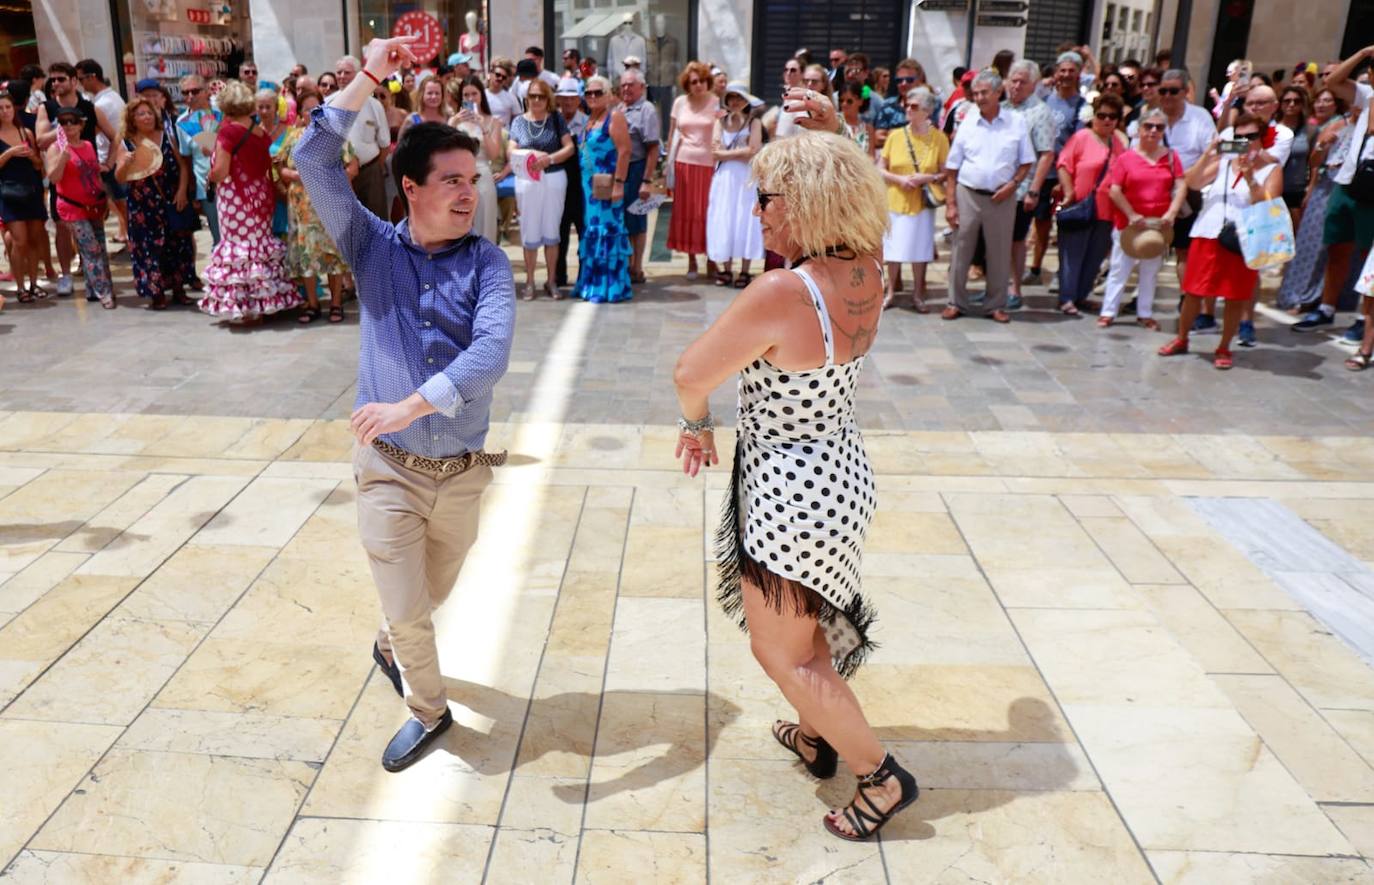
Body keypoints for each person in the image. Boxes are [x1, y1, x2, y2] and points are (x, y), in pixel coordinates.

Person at [673, 127, 918, 843]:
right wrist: (831, 129)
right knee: (809, 627)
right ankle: (817, 736)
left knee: (783, 651)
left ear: (807, 203)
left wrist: (696, 425)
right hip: (840, 477)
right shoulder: (869, 269)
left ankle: (880, 775)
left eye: (768, 199)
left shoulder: (784, 290)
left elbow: (692, 373)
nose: (759, 213)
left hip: (786, 490)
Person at [296, 34, 516, 774]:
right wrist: (366, 77)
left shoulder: (488, 262)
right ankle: (429, 711)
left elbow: (490, 354)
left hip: (461, 467)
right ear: (410, 188)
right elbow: (312, 159)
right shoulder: (370, 246)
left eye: (473, 177)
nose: (467, 190)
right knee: (411, 604)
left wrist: (413, 403)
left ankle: (391, 642)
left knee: (435, 587)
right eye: (451, 178)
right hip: (385, 466)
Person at [1158, 114, 1281, 369]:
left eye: (1251, 137)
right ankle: (1181, 338)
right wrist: (1208, 154)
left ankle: (1224, 346)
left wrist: (1249, 177)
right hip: (1209, 232)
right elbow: (1192, 182)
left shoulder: (1272, 168)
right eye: (1240, 137)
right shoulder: (1224, 162)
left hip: (1241, 238)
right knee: (1193, 290)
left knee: (1235, 296)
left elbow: (1268, 203)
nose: (1245, 142)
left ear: (1262, 138)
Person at [198, 81, 300, 322]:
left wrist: (209, 174)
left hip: (236, 199)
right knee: (258, 246)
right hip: (260, 197)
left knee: (239, 250)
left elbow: (221, 172)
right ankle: (264, 302)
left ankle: (245, 308)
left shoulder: (227, 132)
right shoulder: (259, 132)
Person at [1292, 46, 1374, 336]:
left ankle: (1364, 320)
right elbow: (1332, 82)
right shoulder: (1366, 97)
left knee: (1369, 257)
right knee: (1338, 247)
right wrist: (1364, 53)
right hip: (1348, 181)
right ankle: (1326, 308)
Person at [942, 71, 1034, 323]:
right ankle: (955, 301)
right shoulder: (968, 122)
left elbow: (1026, 162)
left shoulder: (1016, 122)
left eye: (984, 93)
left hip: (1002, 197)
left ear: (998, 93)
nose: (979, 97)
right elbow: (952, 167)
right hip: (968, 192)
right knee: (962, 249)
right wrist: (951, 203)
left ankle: (995, 304)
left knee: (999, 251)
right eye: (976, 93)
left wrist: (1013, 185)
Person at [34, 62, 117, 298]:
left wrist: (108, 165)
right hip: (61, 177)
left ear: (73, 81)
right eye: (53, 80)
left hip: (89, 182)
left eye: (61, 79)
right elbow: (40, 141)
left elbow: (114, 136)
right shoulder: (47, 108)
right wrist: (64, 126)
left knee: (94, 234)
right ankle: (66, 274)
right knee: (61, 228)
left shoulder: (89, 108)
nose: (56, 84)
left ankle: (94, 283)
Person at [1101, 107, 1186, 328]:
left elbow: (1181, 184)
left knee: (1151, 270)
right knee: (1120, 268)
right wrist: (1131, 214)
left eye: (1159, 127)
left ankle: (1144, 313)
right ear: (1139, 129)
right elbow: (1114, 190)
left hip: (1157, 224)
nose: (1153, 131)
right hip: (1128, 224)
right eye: (1148, 126)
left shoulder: (1170, 157)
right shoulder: (1126, 158)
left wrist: (1172, 212)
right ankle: (1109, 311)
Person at [277, 89, 357, 324]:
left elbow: (352, 166)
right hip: (302, 209)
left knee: (333, 256)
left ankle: (335, 303)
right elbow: (280, 168)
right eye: (307, 109)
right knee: (306, 256)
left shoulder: (334, 135)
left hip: (329, 204)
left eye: (316, 108)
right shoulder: (293, 137)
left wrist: (332, 176)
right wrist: (294, 174)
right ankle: (312, 303)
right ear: (300, 113)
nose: (312, 113)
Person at [114, 96, 193, 309]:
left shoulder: (167, 135)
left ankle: (179, 288)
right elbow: (119, 177)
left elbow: (183, 166)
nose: (147, 117)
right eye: (141, 113)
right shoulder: (126, 141)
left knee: (176, 244)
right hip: (142, 205)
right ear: (132, 118)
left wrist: (182, 191)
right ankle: (156, 292)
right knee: (149, 248)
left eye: (149, 112)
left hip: (170, 198)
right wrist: (125, 163)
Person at [1055, 92, 1127, 315]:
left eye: (1112, 116)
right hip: (1081, 205)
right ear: (1093, 116)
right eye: (1102, 115)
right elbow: (1063, 164)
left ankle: (1081, 296)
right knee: (1072, 254)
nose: (1107, 120)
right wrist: (1069, 192)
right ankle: (1067, 297)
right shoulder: (1082, 137)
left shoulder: (1119, 143)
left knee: (1094, 256)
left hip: (1107, 211)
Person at [1278, 88, 1350, 311]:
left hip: (1333, 187)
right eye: (1318, 100)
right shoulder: (1319, 128)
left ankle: (1306, 298)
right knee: (1305, 245)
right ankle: (1297, 295)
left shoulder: (1344, 124)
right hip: (1319, 186)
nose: (1321, 105)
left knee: (1317, 246)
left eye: (1327, 101)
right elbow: (1315, 161)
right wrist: (1322, 144)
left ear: (1337, 104)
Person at [878, 87, 946, 312]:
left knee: (920, 250)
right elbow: (881, 168)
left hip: (921, 203)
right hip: (895, 199)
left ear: (927, 111)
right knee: (892, 249)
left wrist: (928, 177)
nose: (908, 109)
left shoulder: (939, 139)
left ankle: (918, 294)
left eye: (914, 106)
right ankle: (890, 292)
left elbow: (946, 172)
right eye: (907, 104)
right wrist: (899, 179)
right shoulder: (896, 136)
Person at [508, 77, 575, 300]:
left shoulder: (555, 119)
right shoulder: (518, 122)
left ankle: (552, 280)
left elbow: (569, 148)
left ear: (548, 99)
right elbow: (511, 149)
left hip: (554, 178)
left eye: (541, 96)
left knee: (552, 230)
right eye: (532, 96)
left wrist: (549, 159)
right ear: (526, 98)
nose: (536, 100)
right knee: (529, 229)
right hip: (528, 181)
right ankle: (529, 281)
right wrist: (529, 156)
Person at [1025, 51, 1088, 285]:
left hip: (1063, 175)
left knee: (1064, 225)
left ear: (1079, 74)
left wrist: (1066, 179)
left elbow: (1079, 144)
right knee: (1040, 223)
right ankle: (1035, 268)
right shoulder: (1044, 100)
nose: (1066, 75)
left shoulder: (1082, 106)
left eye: (1071, 71)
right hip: (1039, 172)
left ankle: (1064, 273)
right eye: (1062, 70)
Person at [45, 106, 114, 308]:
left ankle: (93, 289)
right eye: (63, 122)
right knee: (90, 248)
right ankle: (104, 292)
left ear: (81, 124)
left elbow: (95, 175)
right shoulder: (55, 148)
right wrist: (63, 159)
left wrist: (105, 198)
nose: (68, 126)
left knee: (99, 246)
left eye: (72, 121)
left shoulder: (88, 146)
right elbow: (53, 178)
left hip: (94, 204)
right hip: (71, 207)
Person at [575, 75, 632, 303]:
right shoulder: (590, 119)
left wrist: (619, 183)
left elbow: (625, 151)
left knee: (607, 232)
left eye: (597, 92)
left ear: (608, 95)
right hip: (589, 189)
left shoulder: (614, 117)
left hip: (608, 186)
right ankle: (591, 283)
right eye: (588, 93)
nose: (592, 96)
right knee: (593, 232)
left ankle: (609, 286)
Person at [1003, 61, 1055, 306]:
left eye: (1022, 81)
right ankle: (996, 288)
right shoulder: (1000, 107)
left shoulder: (1039, 112)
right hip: (995, 187)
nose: (1016, 85)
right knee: (997, 240)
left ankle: (1014, 289)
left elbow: (1046, 153)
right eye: (1013, 80)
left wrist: (1034, 190)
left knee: (1015, 240)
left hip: (1021, 189)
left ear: (1033, 85)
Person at [706, 82, 764, 288]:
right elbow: (714, 151)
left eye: (739, 98)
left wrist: (727, 153)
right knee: (725, 217)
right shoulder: (720, 122)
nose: (735, 102)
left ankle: (745, 270)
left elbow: (753, 151)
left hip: (745, 178)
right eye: (731, 98)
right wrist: (740, 152)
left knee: (745, 218)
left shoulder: (753, 122)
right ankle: (726, 268)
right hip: (724, 178)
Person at [667, 61, 720, 280]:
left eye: (701, 81)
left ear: (708, 81)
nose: (698, 85)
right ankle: (691, 261)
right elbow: (671, 135)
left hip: (709, 165)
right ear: (687, 84)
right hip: (683, 163)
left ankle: (712, 259)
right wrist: (666, 168)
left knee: (708, 212)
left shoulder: (716, 102)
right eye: (693, 82)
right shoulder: (679, 102)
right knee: (687, 212)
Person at [331, 55, 392, 219]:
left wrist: (372, 168)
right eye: (339, 72)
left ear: (358, 76)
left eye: (347, 72)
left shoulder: (374, 104)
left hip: (370, 172)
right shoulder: (328, 104)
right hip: (339, 173)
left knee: (376, 222)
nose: (342, 76)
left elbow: (385, 145)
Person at [76, 59, 128, 246]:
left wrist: (108, 162)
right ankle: (126, 234)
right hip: (113, 156)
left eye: (81, 79)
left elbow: (101, 133)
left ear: (92, 77)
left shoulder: (103, 103)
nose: (80, 84)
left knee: (120, 202)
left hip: (110, 158)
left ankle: (130, 238)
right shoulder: (111, 97)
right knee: (118, 202)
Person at [448, 75, 504, 244]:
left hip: (482, 175)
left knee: (484, 222)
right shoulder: (454, 120)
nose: (470, 98)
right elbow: (444, 151)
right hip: (458, 177)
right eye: (466, 95)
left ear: (481, 96)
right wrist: (452, 124)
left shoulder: (493, 121)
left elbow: (494, 154)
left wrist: (482, 127)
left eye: (474, 94)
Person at [618, 68, 660, 284]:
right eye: (623, 84)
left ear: (641, 87)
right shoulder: (618, 108)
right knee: (622, 221)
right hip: (619, 171)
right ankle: (626, 263)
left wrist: (646, 180)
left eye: (631, 84)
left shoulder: (647, 109)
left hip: (637, 168)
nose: (626, 88)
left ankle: (637, 267)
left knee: (637, 221)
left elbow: (653, 148)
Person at [177, 74, 223, 244]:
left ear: (206, 92)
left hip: (231, 183)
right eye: (185, 93)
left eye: (195, 91)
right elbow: (186, 160)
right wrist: (191, 192)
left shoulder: (223, 114)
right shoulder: (182, 123)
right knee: (218, 235)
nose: (190, 97)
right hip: (206, 188)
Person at [552, 76, 587, 289]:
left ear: (578, 100)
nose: (567, 103)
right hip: (558, 185)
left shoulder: (586, 122)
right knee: (560, 234)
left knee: (584, 232)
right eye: (563, 99)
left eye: (571, 99)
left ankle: (584, 276)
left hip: (581, 187)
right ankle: (559, 276)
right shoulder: (552, 121)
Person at [1278, 86, 1315, 225]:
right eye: (1287, 101)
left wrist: (1310, 188)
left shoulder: (1310, 131)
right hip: (1274, 189)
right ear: (1280, 104)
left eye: (1296, 101)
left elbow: (1314, 164)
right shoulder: (1271, 128)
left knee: (1295, 234)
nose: (1291, 104)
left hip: (1297, 190)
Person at [836, 82, 874, 157]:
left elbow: (871, 156)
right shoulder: (834, 122)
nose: (844, 104)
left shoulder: (868, 129)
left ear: (860, 101)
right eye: (841, 100)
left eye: (849, 101)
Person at [485, 58, 521, 129]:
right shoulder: (480, 95)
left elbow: (517, 120)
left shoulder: (511, 97)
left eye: (504, 77)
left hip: (504, 136)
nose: (500, 78)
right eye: (497, 75)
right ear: (490, 75)